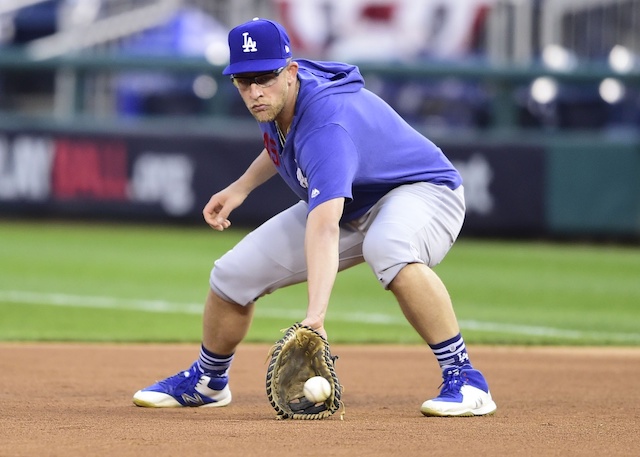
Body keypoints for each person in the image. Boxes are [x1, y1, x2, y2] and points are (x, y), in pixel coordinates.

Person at [132, 17, 497, 417]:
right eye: (243, 80)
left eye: (265, 77)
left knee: (388, 246)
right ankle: (208, 380)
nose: (255, 91)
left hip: (424, 191)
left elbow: (323, 227)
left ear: (290, 71)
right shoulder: (281, 95)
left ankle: (465, 378)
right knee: (231, 275)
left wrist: (315, 319)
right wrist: (241, 187)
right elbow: (285, 144)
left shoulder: (327, 124)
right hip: (358, 200)